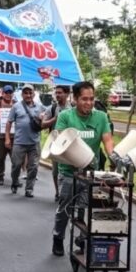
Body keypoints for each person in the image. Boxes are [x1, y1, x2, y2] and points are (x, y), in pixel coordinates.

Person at [51, 81, 114, 256]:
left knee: (85, 207)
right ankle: (58, 236)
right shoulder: (65, 117)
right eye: (84, 99)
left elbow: (107, 139)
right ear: (75, 99)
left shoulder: (100, 117)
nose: (88, 103)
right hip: (68, 172)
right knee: (65, 208)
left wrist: (112, 156)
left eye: (91, 99)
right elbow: (60, 142)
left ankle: (82, 238)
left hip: (90, 173)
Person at [5, 84, 45, 198]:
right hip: (19, 142)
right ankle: (14, 182)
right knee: (16, 165)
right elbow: (9, 122)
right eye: (26, 93)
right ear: (22, 94)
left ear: (33, 94)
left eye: (30, 93)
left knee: (33, 167)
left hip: (34, 142)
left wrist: (43, 118)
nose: (28, 95)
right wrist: (7, 138)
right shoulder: (16, 106)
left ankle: (29, 189)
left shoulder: (39, 107)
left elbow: (47, 116)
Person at [44, 85, 72, 199]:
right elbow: (43, 124)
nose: (58, 95)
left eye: (60, 93)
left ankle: (69, 192)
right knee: (56, 170)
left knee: (70, 169)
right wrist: (55, 119)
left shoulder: (73, 108)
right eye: (56, 93)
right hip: (55, 143)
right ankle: (58, 193)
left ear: (67, 94)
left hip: (70, 144)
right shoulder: (52, 108)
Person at [0, 85, 15, 185]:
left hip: (14, 136)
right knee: (0, 158)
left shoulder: (16, 105)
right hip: (0, 136)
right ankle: (0, 176)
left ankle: (15, 178)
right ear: (3, 94)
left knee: (15, 158)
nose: (8, 94)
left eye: (10, 92)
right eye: (6, 92)